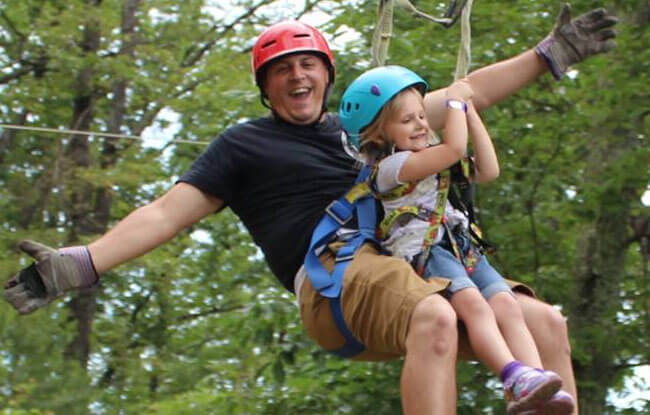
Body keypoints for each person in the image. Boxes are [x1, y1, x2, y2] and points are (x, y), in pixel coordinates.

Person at [3, 4, 616, 414]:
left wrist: (548, 54)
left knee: (544, 323)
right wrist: (82, 263)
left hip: (412, 262)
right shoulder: (244, 147)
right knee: (432, 314)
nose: (297, 77)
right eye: (282, 71)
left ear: (327, 75)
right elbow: (167, 213)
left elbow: (467, 93)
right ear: (265, 88)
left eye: (308, 65)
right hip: (337, 278)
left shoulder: (370, 129)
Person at [338, 65, 573, 413]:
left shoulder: (429, 157)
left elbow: (488, 170)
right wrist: (454, 104)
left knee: (507, 305)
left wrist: (470, 112)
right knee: (475, 307)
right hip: (427, 252)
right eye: (407, 120)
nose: (421, 125)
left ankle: (537, 384)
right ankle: (512, 375)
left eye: (422, 116)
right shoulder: (390, 168)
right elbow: (453, 149)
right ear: (379, 134)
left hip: (461, 246)